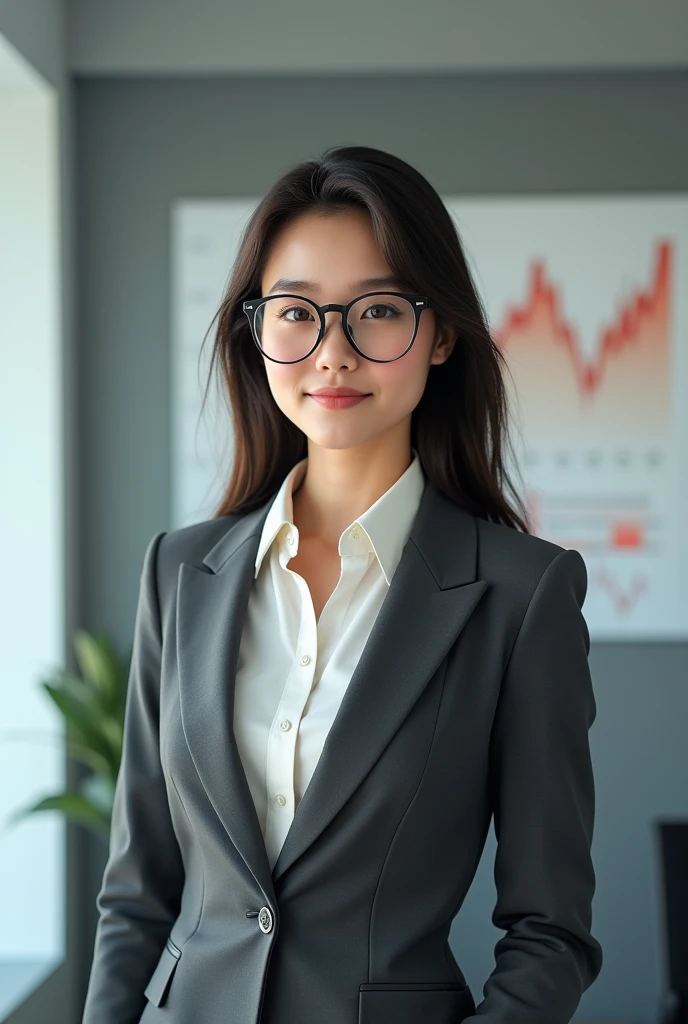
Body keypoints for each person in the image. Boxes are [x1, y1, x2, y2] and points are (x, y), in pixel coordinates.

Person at [82, 145, 603, 1024]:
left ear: (440, 335)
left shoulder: (522, 597)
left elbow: (551, 930)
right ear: (257, 335)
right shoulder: (180, 571)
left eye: (377, 311)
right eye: (297, 313)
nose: (332, 353)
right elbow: (137, 893)